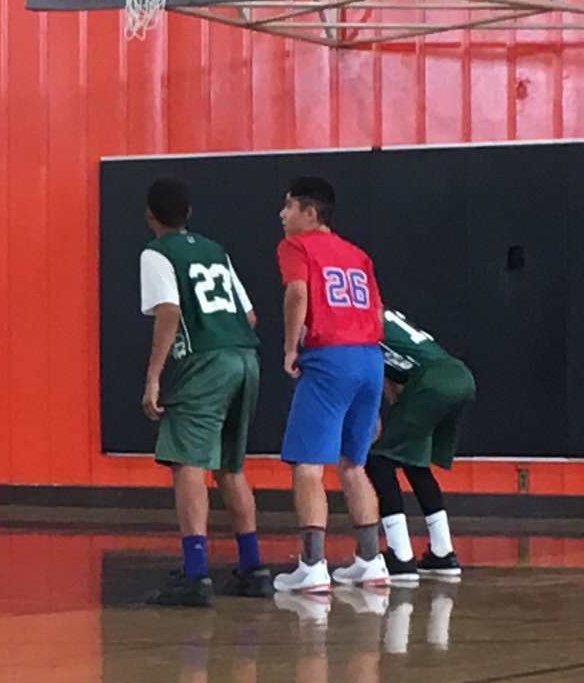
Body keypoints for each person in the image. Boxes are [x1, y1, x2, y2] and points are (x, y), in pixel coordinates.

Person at [139, 177, 271, 607]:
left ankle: (196, 575)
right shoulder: (216, 250)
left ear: (150, 216)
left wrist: (154, 377)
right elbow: (250, 315)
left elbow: (169, 310)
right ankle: (253, 569)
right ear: (189, 213)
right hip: (246, 357)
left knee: (189, 465)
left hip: (206, 362)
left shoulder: (157, 252)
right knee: (231, 466)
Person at [274, 175, 388, 594]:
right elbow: (378, 313)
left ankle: (312, 566)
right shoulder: (358, 254)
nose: (282, 215)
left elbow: (297, 294)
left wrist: (291, 347)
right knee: (353, 464)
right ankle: (371, 562)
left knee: (307, 464)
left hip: (330, 357)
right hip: (370, 357)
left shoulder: (296, 246)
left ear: (310, 212)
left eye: (289, 206)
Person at [369, 307, 476, 582]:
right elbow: (394, 381)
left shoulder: (362, 320)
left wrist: (374, 418)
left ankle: (400, 555)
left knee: (378, 460)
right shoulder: (390, 317)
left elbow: (376, 375)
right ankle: (443, 552)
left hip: (432, 381)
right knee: (414, 461)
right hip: (459, 376)